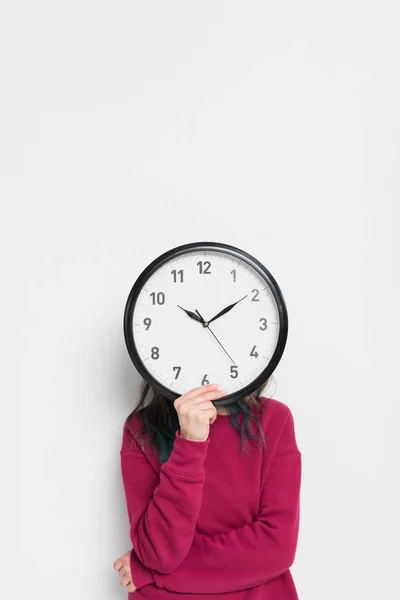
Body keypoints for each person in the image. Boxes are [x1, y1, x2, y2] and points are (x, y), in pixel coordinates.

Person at [113, 376, 302, 599]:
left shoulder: (273, 420)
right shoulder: (140, 430)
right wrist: (190, 443)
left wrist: (150, 572)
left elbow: (276, 548)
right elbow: (159, 553)